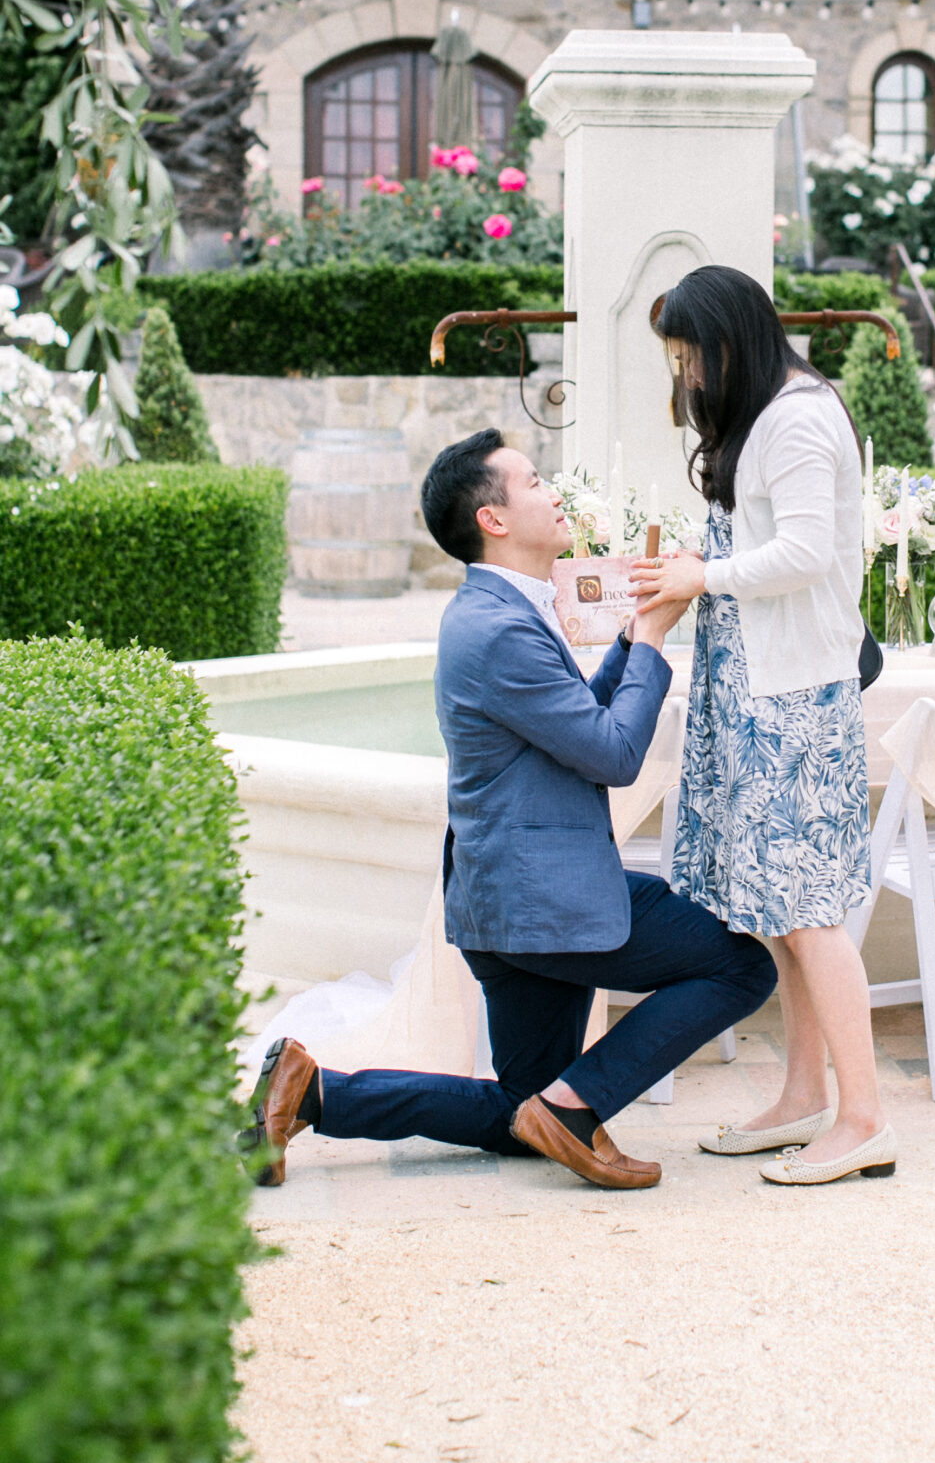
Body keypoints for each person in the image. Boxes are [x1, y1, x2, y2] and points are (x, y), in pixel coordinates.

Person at [241, 428, 776, 1193]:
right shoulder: (497, 629)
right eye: (532, 482)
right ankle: (577, 1106)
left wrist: (629, 638)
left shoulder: (502, 610)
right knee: (740, 966)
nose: (553, 491)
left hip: (508, 904)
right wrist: (656, 640)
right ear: (492, 519)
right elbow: (616, 755)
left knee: (523, 1114)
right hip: (545, 900)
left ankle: (311, 1090)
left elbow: (573, 729)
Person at [630, 266, 895, 1185]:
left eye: (692, 356)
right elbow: (755, 545)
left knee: (810, 914)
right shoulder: (765, 414)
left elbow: (808, 551)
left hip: (794, 696)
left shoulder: (799, 417)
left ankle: (861, 1117)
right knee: (784, 918)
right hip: (755, 687)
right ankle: (803, 1097)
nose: (689, 376)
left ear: (731, 340)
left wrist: (702, 578)